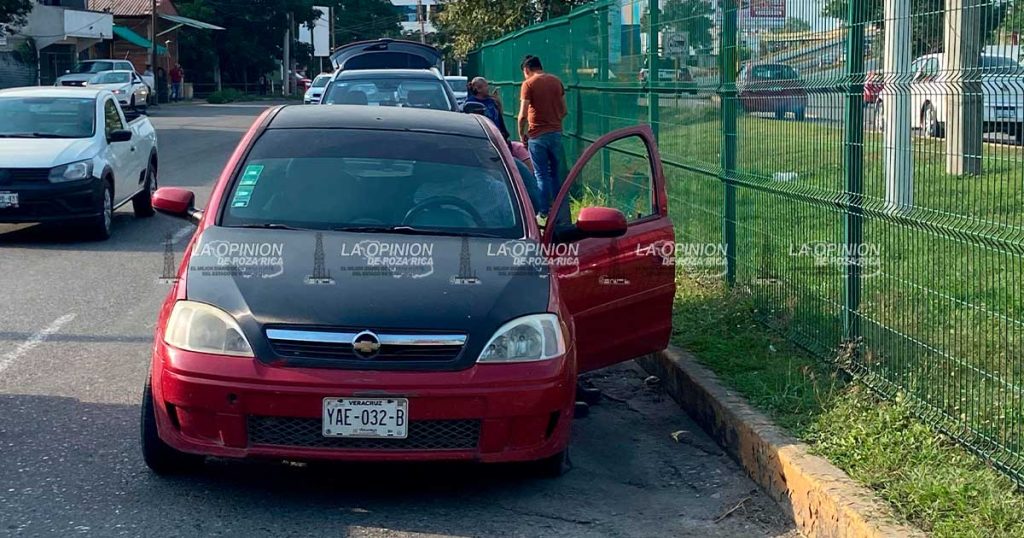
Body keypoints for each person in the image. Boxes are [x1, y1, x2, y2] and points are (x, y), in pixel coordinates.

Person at [518, 55, 567, 220]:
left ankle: (543, 213)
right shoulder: (556, 81)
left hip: (537, 135)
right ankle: (559, 212)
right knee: (555, 174)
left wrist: (521, 133)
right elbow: (564, 110)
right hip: (556, 133)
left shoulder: (528, 84)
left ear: (527, 69)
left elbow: (523, 115)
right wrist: (554, 121)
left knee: (541, 175)